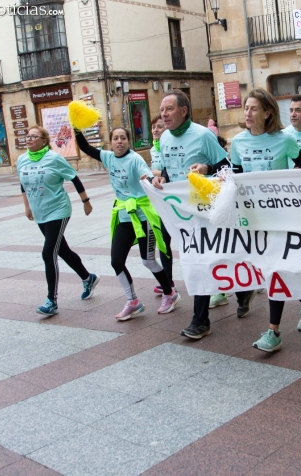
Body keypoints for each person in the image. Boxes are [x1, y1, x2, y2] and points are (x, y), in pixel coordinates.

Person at [213, 88, 301, 352]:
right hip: (253, 219)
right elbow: (236, 177)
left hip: (282, 217)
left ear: (267, 113)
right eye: (246, 108)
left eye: (253, 108)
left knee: (276, 270)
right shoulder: (238, 142)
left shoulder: (284, 140)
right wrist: (225, 180)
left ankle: (274, 332)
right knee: (272, 270)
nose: (248, 113)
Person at [75, 126, 178, 321]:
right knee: (116, 261)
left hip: (143, 217)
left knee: (147, 260)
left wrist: (148, 179)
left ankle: (170, 293)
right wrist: (77, 126)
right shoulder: (107, 157)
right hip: (124, 215)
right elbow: (85, 147)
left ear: (129, 142)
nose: (119, 141)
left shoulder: (135, 159)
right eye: (115, 138)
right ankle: (133, 301)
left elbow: (146, 175)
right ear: (111, 142)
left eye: (123, 138)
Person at [154, 89, 229, 339]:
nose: (164, 114)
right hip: (176, 211)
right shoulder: (164, 138)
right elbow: (167, 167)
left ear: (184, 111)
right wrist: (162, 178)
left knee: (199, 260)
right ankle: (240, 291)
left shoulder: (203, 135)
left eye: (169, 109)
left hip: (201, 207)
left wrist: (206, 167)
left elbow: (227, 165)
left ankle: (201, 319)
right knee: (193, 258)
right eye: (162, 110)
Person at [18, 126, 99, 316]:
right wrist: (27, 207)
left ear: (44, 140)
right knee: (62, 250)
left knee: (48, 253)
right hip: (40, 212)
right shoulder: (22, 160)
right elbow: (22, 183)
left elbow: (74, 178)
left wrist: (86, 201)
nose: (29, 139)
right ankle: (88, 278)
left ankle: (51, 301)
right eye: (27, 136)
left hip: (58, 210)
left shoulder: (54, 159)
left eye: (33, 136)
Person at [148, 115, 176, 297]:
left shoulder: (170, 146)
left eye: (159, 127)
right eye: (154, 127)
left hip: (176, 198)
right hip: (160, 199)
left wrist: (154, 172)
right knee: (163, 241)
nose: (156, 130)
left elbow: (171, 170)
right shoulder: (153, 150)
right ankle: (168, 280)